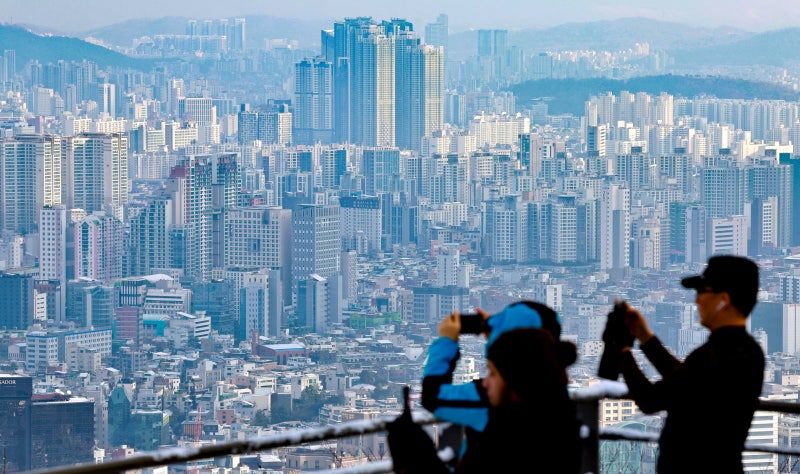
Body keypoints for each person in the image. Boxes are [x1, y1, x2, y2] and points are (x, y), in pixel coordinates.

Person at [618, 255, 765, 474]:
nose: (696, 300)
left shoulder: (710, 356)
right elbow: (686, 381)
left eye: (702, 292)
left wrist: (622, 351)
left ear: (723, 301)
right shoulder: (751, 352)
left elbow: (650, 399)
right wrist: (645, 337)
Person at [421, 301, 580, 472]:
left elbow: (433, 396)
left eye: (493, 373)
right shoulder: (556, 395)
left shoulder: (494, 401)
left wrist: (446, 341)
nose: (486, 381)